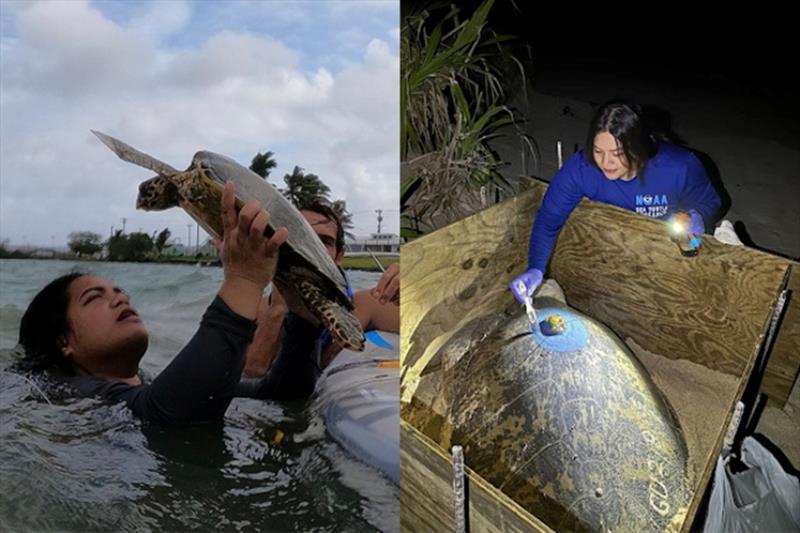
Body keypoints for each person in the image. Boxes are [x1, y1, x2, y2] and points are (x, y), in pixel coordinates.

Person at [16, 182, 289, 425]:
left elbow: (279, 393)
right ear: (64, 341)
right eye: (94, 297)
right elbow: (174, 411)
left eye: (118, 291)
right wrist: (244, 280)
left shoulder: (148, 385)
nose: (121, 298)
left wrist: (303, 322)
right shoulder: (72, 395)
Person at [510, 101, 722, 303]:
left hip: (669, 248)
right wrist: (535, 268)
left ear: (638, 147)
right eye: (598, 151)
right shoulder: (582, 169)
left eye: (617, 153)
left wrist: (698, 217)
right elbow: (548, 221)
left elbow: (712, 201)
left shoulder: (680, 167)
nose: (605, 162)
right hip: (612, 249)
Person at [236, 201, 400, 401]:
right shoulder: (256, 307)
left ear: (339, 256)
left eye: (324, 241)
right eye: (299, 235)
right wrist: (279, 306)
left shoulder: (366, 305)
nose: (309, 247)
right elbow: (251, 374)